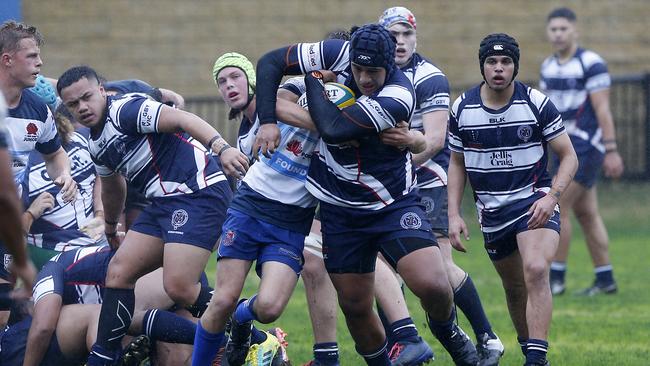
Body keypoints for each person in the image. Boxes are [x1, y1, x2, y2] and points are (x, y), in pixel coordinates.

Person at [253, 24, 477, 366]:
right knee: (356, 307)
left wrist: (314, 80)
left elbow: (334, 128)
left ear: (391, 66)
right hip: (339, 209)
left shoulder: (400, 95)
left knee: (431, 282)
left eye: (373, 72)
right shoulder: (337, 52)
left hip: (391, 202)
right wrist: (268, 119)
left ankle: (447, 330)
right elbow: (270, 63)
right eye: (357, 70)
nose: (364, 78)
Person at [56, 65, 246, 365]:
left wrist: (221, 148)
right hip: (163, 204)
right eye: (73, 104)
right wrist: (109, 225)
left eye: (87, 97)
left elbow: (184, 118)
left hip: (198, 192)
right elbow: (112, 184)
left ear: (102, 91)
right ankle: (103, 357)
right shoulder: (94, 142)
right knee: (118, 272)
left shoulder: (126, 111)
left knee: (179, 287)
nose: (82, 107)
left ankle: (251, 329)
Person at [377, 7, 505, 365]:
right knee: (381, 268)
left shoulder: (429, 77)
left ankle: (486, 336)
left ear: (415, 37)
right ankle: (400, 347)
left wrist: (390, 165)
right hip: (384, 185)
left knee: (440, 268)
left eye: (405, 34)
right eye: (392, 35)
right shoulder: (373, 74)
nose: (399, 42)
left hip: (427, 181)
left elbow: (434, 141)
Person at [192, 51, 330, 366]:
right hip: (251, 209)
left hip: (292, 221)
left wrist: (332, 127)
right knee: (223, 298)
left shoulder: (340, 101)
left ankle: (243, 320)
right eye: (222, 81)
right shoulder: (250, 131)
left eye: (234, 77)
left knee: (268, 308)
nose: (229, 86)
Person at [447, 33, 578, 366]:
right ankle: (531, 351)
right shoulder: (462, 108)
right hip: (492, 212)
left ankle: (535, 360)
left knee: (535, 269)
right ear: (483, 66)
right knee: (515, 287)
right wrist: (453, 214)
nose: (499, 68)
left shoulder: (536, 102)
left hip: (533, 200)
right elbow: (457, 164)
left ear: (515, 66)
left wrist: (551, 197)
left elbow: (569, 156)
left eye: (506, 62)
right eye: (492, 62)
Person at [539, 7, 624, 296]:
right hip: (562, 149)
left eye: (564, 28)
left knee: (558, 207)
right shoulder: (548, 66)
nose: (559, 34)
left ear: (575, 30)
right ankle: (605, 279)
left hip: (586, 147)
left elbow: (602, 109)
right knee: (587, 213)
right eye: (554, 29)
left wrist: (611, 150)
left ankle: (556, 280)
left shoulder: (591, 63)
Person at [0, 20, 77, 327]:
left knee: (2, 311)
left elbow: (55, 154)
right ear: (7, 59)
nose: (40, 63)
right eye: (31, 56)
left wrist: (64, 174)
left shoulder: (37, 109)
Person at [24, 244, 201, 366]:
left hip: (164, 273)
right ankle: (213, 337)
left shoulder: (46, 276)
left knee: (118, 323)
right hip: (175, 275)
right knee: (176, 360)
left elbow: (43, 326)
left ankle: (213, 335)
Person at [21, 104, 107, 268]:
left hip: (96, 239)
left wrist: (100, 214)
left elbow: (102, 174)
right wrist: (31, 214)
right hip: (51, 250)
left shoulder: (78, 138)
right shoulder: (17, 168)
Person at [1, 303, 151, 366]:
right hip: (23, 341)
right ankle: (113, 359)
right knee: (99, 315)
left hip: (40, 344)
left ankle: (114, 358)